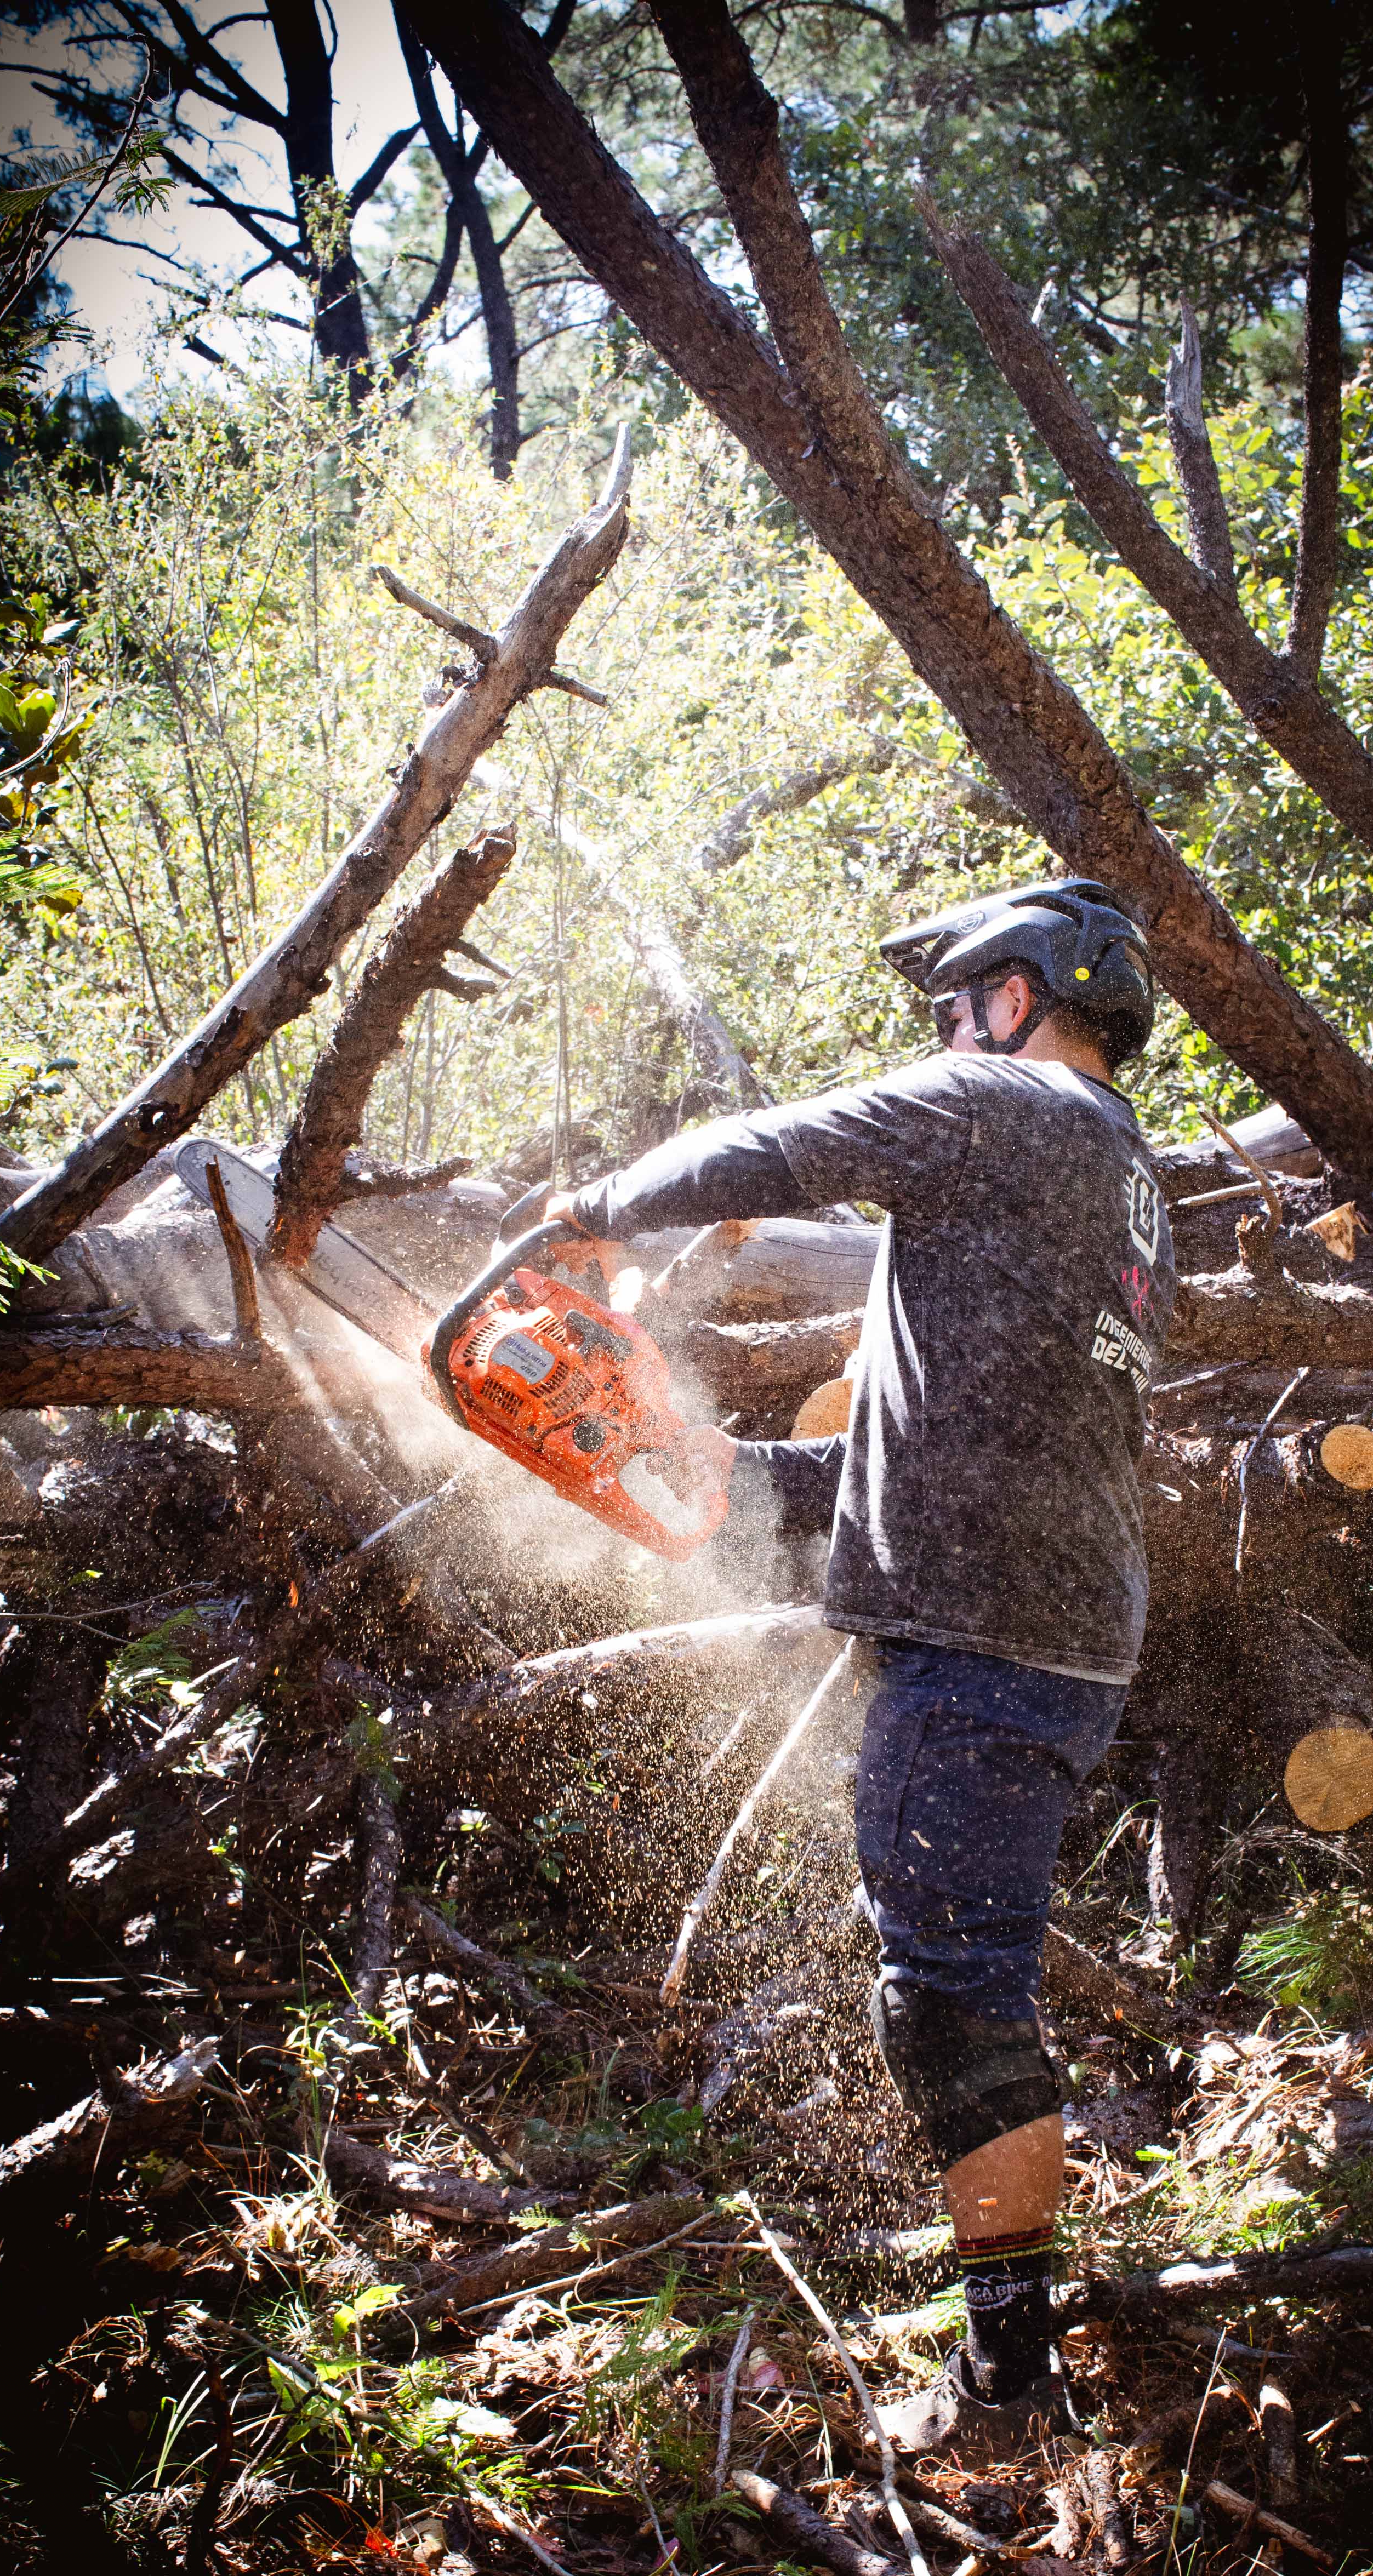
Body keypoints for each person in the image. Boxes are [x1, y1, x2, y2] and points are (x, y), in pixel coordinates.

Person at [528, 879, 1176, 2457]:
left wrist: (587, 1213)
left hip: (994, 1642)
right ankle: (1012, 2349)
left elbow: (778, 1147)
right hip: (1044, 1624)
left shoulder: (1008, 1104)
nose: (944, 1036)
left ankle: (1011, 2388)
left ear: (1020, 996)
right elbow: (962, 1437)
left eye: (957, 1004)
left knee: (952, 2002)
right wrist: (729, 1478)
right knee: (959, 1986)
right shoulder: (1109, 1175)